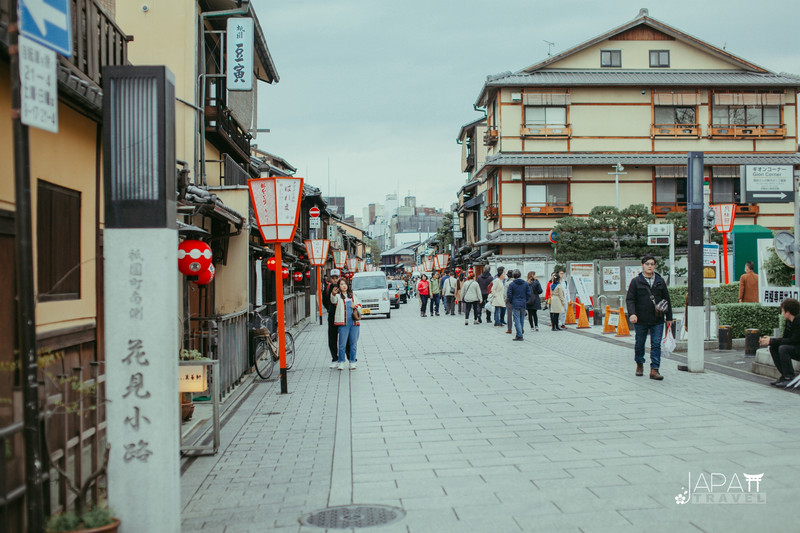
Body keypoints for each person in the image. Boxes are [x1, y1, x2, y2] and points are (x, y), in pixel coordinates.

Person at [626, 254, 672, 380]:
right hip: (640, 319)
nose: (650, 266)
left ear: (655, 266)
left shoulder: (659, 281)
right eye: (647, 264)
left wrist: (669, 317)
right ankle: (639, 363)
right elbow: (630, 299)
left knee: (656, 344)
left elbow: (666, 299)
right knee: (640, 343)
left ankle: (654, 369)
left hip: (657, 319)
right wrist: (632, 314)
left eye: (652, 264)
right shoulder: (636, 281)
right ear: (642, 265)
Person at [759, 297, 800, 387]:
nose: (782, 313)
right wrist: (771, 340)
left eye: (783, 311)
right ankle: (785, 376)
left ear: (788, 312)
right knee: (773, 347)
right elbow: (785, 339)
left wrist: (772, 340)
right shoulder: (789, 321)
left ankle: (789, 377)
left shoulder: (798, 321)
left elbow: (794, 340)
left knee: (783, 348)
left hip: (798, 347)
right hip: (796, 348)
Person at [330, 278, 361, 370]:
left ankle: (352, 362)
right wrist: (333, 293)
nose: (344, 286)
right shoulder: (338, 297)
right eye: (341, 284)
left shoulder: (352, 295)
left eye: (345, 284)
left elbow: (359, 305)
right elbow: (333, 300)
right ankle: (341, 362)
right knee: (342, 344)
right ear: (339, 287)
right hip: (343, 323)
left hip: (354, 322)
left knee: (353, 343)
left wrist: (355, 306)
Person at [324, 269, 348, 368]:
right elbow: (325, 302)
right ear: (330, 279)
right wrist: (330, 309)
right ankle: (335, 358)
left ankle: (350, 357)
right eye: (333, 278)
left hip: (343, 316)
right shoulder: (327, 288)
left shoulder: (343, 287)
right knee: (332, 338)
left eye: (336, 278)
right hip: (332, 317)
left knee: (345, 337)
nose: (334, 280)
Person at [507, 269, 532, 340]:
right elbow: (528, 293)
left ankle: (519, 335)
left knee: (516, 319)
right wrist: (525, 300)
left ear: (513, 276)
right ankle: (520, 332)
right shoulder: (525, 284)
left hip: (515, 303)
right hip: (523, 303)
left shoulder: (511, 284)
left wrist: (511, 301)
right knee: (522, 319)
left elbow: (509, 294)